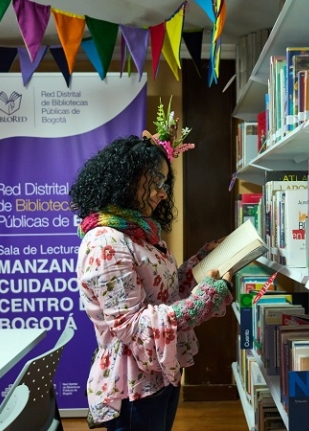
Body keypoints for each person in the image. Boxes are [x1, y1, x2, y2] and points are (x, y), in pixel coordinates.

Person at [70, 131, 234, 431]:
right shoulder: (106, 241)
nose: (162, 193)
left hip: (159, 373)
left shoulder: (140, 232)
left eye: (164, 183)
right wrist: (203, 301)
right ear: (128, 181)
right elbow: (133, 326)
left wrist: (200, 261)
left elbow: (162, 293)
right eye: (155, 182)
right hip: (134, 386)